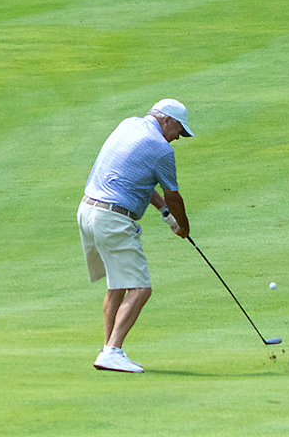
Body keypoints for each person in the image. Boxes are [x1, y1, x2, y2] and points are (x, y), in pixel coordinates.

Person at [77, 98, 193, 373]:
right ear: (167, 120)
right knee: (140, 288)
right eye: (179, 130)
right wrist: (183, 227)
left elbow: (136, 179)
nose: (178, 137)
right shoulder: (161, 149)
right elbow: (173, 196)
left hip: (88, 211)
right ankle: (112, 351)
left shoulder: (127, 125)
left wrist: (164, 213)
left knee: (117, 286)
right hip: (113, 219)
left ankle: (108, 349)